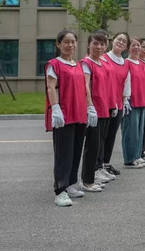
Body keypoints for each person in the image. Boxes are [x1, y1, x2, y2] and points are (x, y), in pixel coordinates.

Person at [44, 30, 89, 206]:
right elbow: (51, 87)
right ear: (58, 44)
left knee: (76, 151)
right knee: (63, 153)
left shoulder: (78, 65)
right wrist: (55, 108)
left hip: (79, 113)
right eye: (66, 42)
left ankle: (70, 184)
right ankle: (60, 190)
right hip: (64, 114)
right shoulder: (54, 64)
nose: (70, 45)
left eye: (73, 42)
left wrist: (89, 108)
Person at [80, 32, 113, 193]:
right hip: (94, 109)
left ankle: (94, 173)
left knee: (99, 144)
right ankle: (87, 181)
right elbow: (85, 85)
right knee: (92, 146)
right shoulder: (87, 63)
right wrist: (89, 107)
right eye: (95, 43)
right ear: (88, 45)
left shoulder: (102, 63)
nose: (99, 47)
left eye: (102, 44)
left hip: (104, 108)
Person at [103, 32, 130, 176]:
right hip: (104, 104)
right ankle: (98, 165)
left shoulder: (125, 63)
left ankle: (106, 163)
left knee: (111, 135)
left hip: (118, 104)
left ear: (126, 46)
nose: (121, 42)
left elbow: (126, 84)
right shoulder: (104, 58)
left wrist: (124, 102)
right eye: (119, 39)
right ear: (112, 41)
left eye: (124, 41)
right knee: (101, 136)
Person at [122, 38, 145, 168]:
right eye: (134, 45)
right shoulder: (126, 63)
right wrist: (125, 99)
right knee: (130, 131)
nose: (137, 47)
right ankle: (129, 158)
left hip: (141, 101)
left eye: (138, 45)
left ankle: (137, 155)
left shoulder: (141, 63)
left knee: (139, 131)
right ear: (128, 47)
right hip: (131, 101)